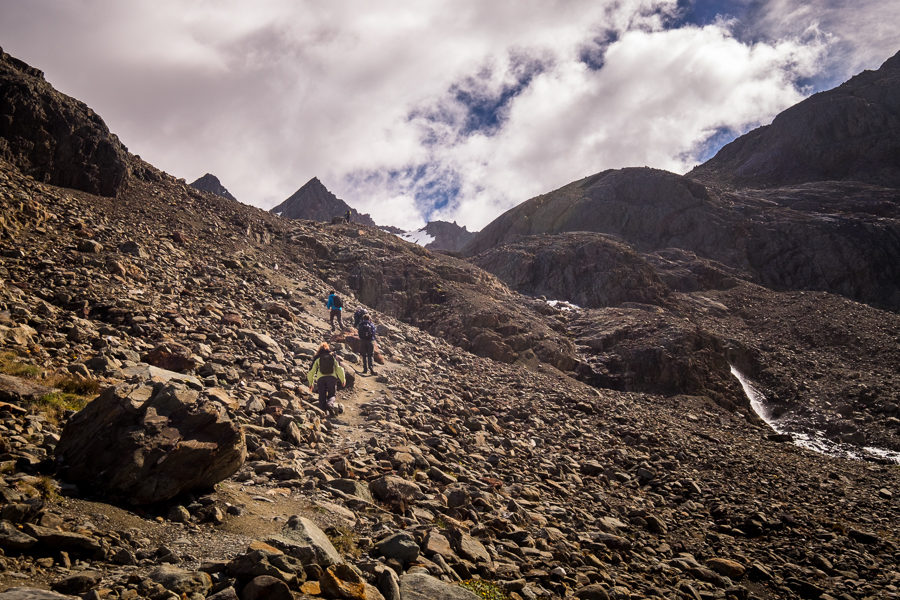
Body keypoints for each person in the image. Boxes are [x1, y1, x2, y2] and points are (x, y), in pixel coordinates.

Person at [307, 342, 345, 416]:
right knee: (332, 395)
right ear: (328, 348)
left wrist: (311, 383)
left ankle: (322, 414)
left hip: (321, 379)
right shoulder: (333, 356)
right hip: (332, 378)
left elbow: (311, 372)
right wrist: (343, 380)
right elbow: (339, 369)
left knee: (322, 397)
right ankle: (330, 404)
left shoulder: (317, 358)